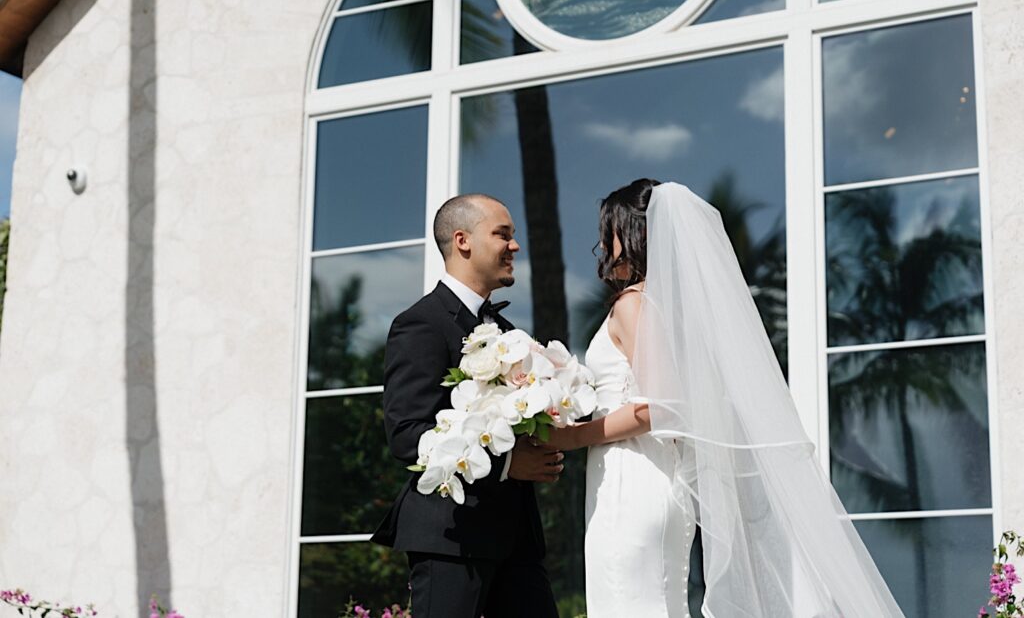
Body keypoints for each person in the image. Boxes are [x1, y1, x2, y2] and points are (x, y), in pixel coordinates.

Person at [544, 179, 905, 618]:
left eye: (610, 233)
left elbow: (659, 405)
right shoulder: (668, 309)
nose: (603, 247)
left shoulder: (633, 305)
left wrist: (572, 437)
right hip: (657, 480)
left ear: (633, 235)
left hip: (632, 481)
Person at [371, 193, 562, 618]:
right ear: (463, 241)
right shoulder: (420, 324)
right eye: (503, 235)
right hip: (451, 539)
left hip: (518, 542)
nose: (515, 246)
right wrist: (511, 465)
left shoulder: (510, 332)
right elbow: (408, 436)